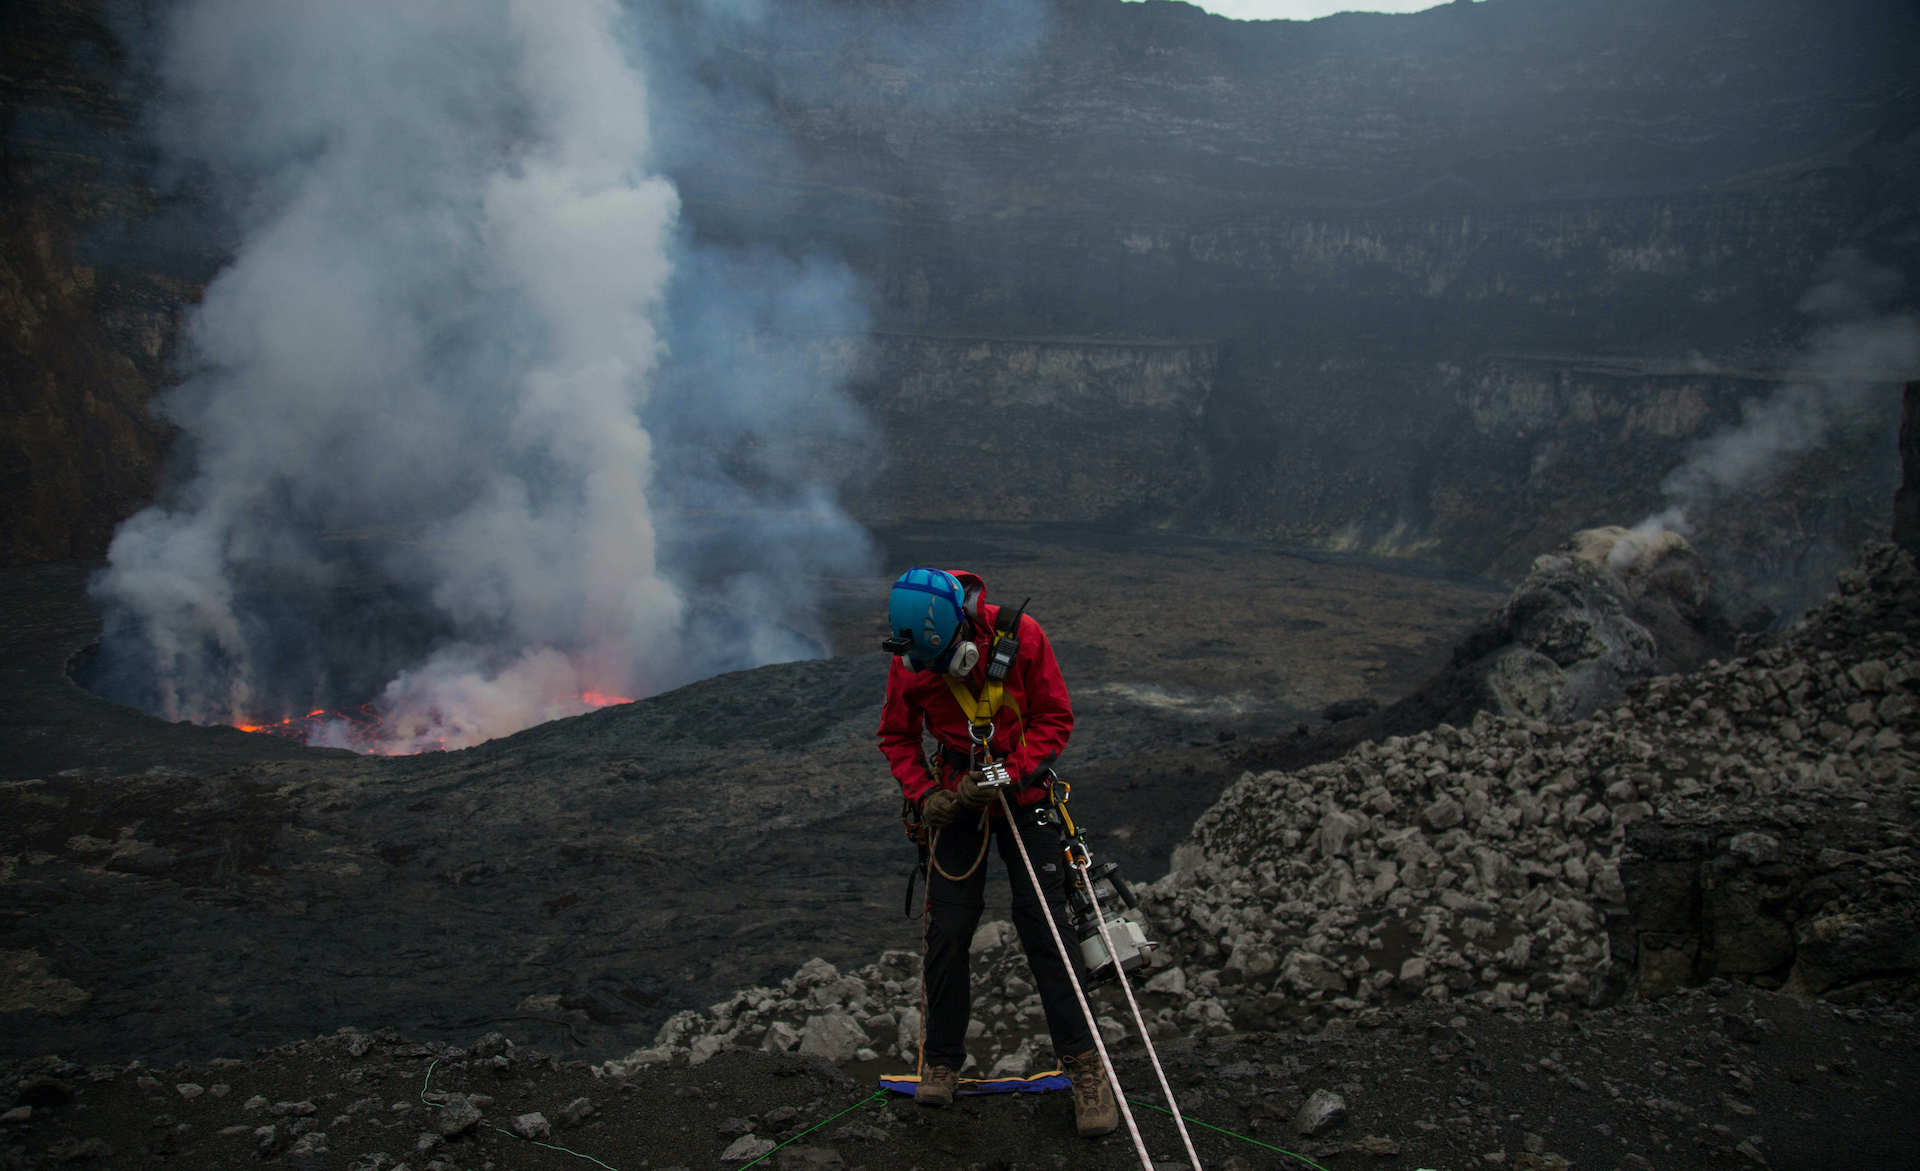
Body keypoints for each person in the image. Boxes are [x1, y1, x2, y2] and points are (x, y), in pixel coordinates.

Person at [875, 567, 1119, 1139]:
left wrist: (1008, 772)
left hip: (1026, 792)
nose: (928, 674)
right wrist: (925, 794)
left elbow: (1054, 717)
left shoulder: (1022, 637)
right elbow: (897, 735)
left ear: (958, 630)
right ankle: (940, 1061)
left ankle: (1085, 1067)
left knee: (1046, 927)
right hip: (958, 800)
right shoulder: (909, 660)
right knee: (949, 929)